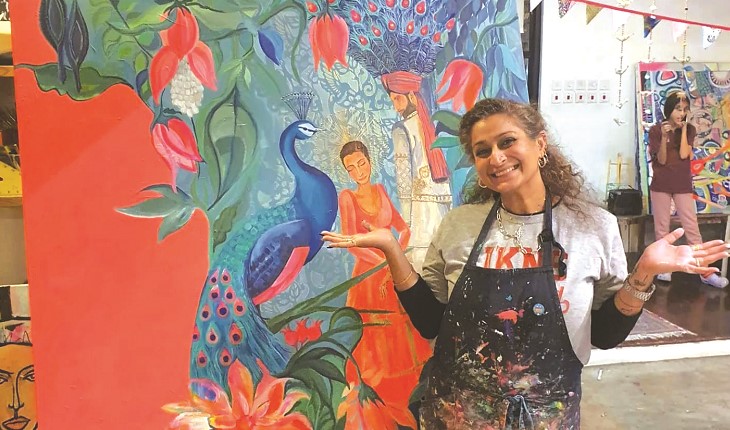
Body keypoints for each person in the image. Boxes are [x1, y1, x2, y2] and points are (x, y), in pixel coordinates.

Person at [322, 98, 730, 428]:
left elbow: (605, 334)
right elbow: (431, 322)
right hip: (456, 413)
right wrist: (391, 249)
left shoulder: (593, 227)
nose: (496, 157)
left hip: (547, 417)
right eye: (482, 151)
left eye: (507, 142)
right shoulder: (458, 226)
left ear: (540, 144)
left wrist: (643, 273)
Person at [337, 140, 432, 416]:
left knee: (401, 335)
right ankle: (375, 404)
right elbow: (351, 243)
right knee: (374, 336)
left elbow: (403, 230)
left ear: (370, 161)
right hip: (368, 277)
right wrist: (385, 262)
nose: (358, 171)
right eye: (351, 168)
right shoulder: (347, 197)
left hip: (392, 273)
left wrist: (395, 257)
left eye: (362, 163)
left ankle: (406, 400)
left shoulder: (380, 190)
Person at [649, 90, 729, 288]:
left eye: (685, 109)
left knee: (692, 228)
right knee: (662, 229)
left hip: (682, 185)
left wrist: (683, 130)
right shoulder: (656, 130)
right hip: (661, 185)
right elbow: (662, 160)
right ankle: (664, 268)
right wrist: (665, 137)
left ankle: (705, 272)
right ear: (669, 110)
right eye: (678, 109)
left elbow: (685, 154)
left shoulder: (690, 130)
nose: (682, 113)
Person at [382, 72, 453, 272]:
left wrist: (406, 221)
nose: (396, 107)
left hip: (420, 213)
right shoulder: (437, 124)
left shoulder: (401, 129)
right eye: (392, 101)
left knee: (422, 270)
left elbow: (404, 178)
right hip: (444, 206)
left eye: (397, 99)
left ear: (412, 96)